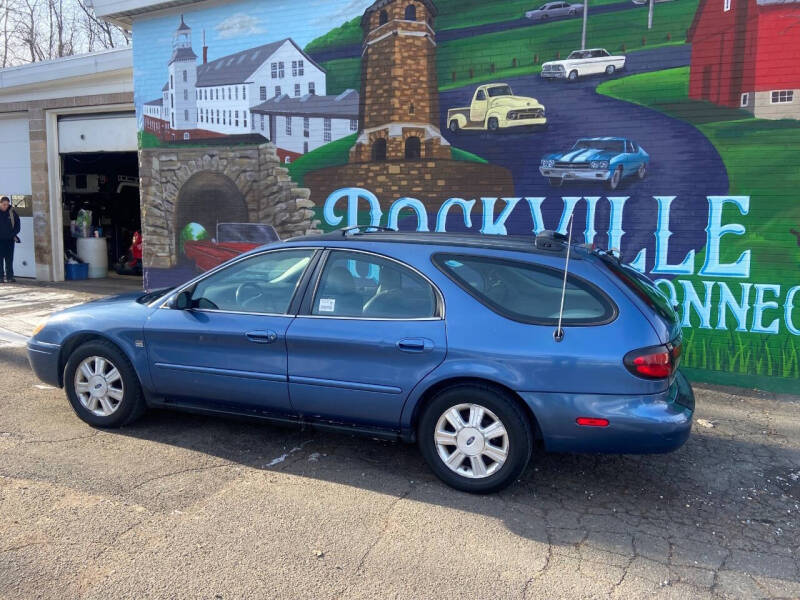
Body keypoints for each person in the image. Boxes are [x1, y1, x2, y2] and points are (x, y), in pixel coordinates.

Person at [0, 196, 21, 283]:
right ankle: (0, 277)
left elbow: (17, 226)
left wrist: (12, 235)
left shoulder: (12, 213)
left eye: (7, 204)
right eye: (4, 204)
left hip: (9, 240)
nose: (5, 206)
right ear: (0, 203)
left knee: (9, 259)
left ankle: (10, 277)